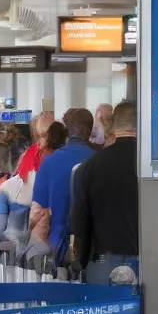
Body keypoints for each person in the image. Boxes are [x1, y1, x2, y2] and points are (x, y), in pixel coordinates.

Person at [70, 100, 138, 314]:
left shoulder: (90, 168)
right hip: (149, 259)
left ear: (112, 127)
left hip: (102, 260)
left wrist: (81, 261)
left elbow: (80, 221)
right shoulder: (154, 166)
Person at [30, 108, 95, 267]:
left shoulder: (49, 162)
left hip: (57, 246)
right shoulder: (99, 161)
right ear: (89, 131)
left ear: (68, 131)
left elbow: (36, 213)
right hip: (92, 250)